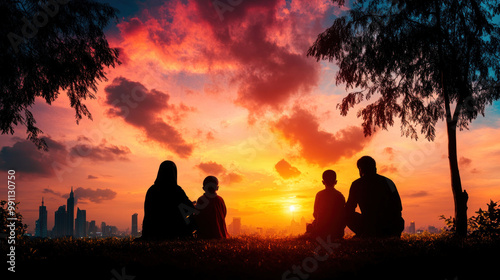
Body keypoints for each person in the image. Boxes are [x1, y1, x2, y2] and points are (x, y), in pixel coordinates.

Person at [345, 156, 404, 238]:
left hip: (368, 225)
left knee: (345, 213)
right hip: (390, 226)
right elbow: (398, 207)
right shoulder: (388, 182)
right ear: (375, 168)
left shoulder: (357, 184)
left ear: (360, 169)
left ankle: (365, 234)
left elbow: (349, 209)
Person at [141, 160, 195, 240]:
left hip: (153, 231)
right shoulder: (176, 190)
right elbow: (189, 209)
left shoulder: (152, 190)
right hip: (175, 230)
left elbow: (148, 213)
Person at [307, 170, 346, 239]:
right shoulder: (340, 195)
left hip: (321, 231)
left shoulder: (319, 194)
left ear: (323, 182)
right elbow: (343, 214)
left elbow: (315, 213)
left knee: (309, 226)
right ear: (336, 182)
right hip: (337, 232)